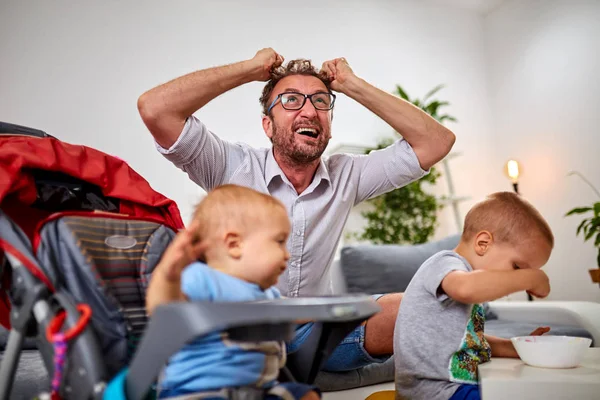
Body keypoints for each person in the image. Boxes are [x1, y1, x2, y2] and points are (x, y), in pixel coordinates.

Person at [138, 48, 456, 371]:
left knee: (414, 305)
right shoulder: (230, 166)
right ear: (268, 124)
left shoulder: (348, 175)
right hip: (242, 338)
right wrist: (249, 69)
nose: (309, 111)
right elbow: (155, 109)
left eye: (320, 101)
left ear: (329, 125)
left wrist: (352, 84)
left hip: (313, 336)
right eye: (291, 100)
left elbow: (436, 142)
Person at [146, 184, 320, 400]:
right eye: (280, 242)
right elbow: (162, 310)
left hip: (258, 390)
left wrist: (326, 310)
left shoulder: (267, 293)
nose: (287, 255)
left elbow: (294, 311)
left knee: (307, 395)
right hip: (198, 392)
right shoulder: (202, 278)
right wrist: (168, 276)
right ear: (234, 244)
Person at [393, 191, 554, 400]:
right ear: (483, 243)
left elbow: (465, 340)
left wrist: (515, 347)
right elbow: (466, 288)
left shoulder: (464, 279)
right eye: (517, 267)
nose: (519, 278)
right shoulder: (445, 263)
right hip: (435, 392)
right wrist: (531, 278)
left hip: (455, 388)